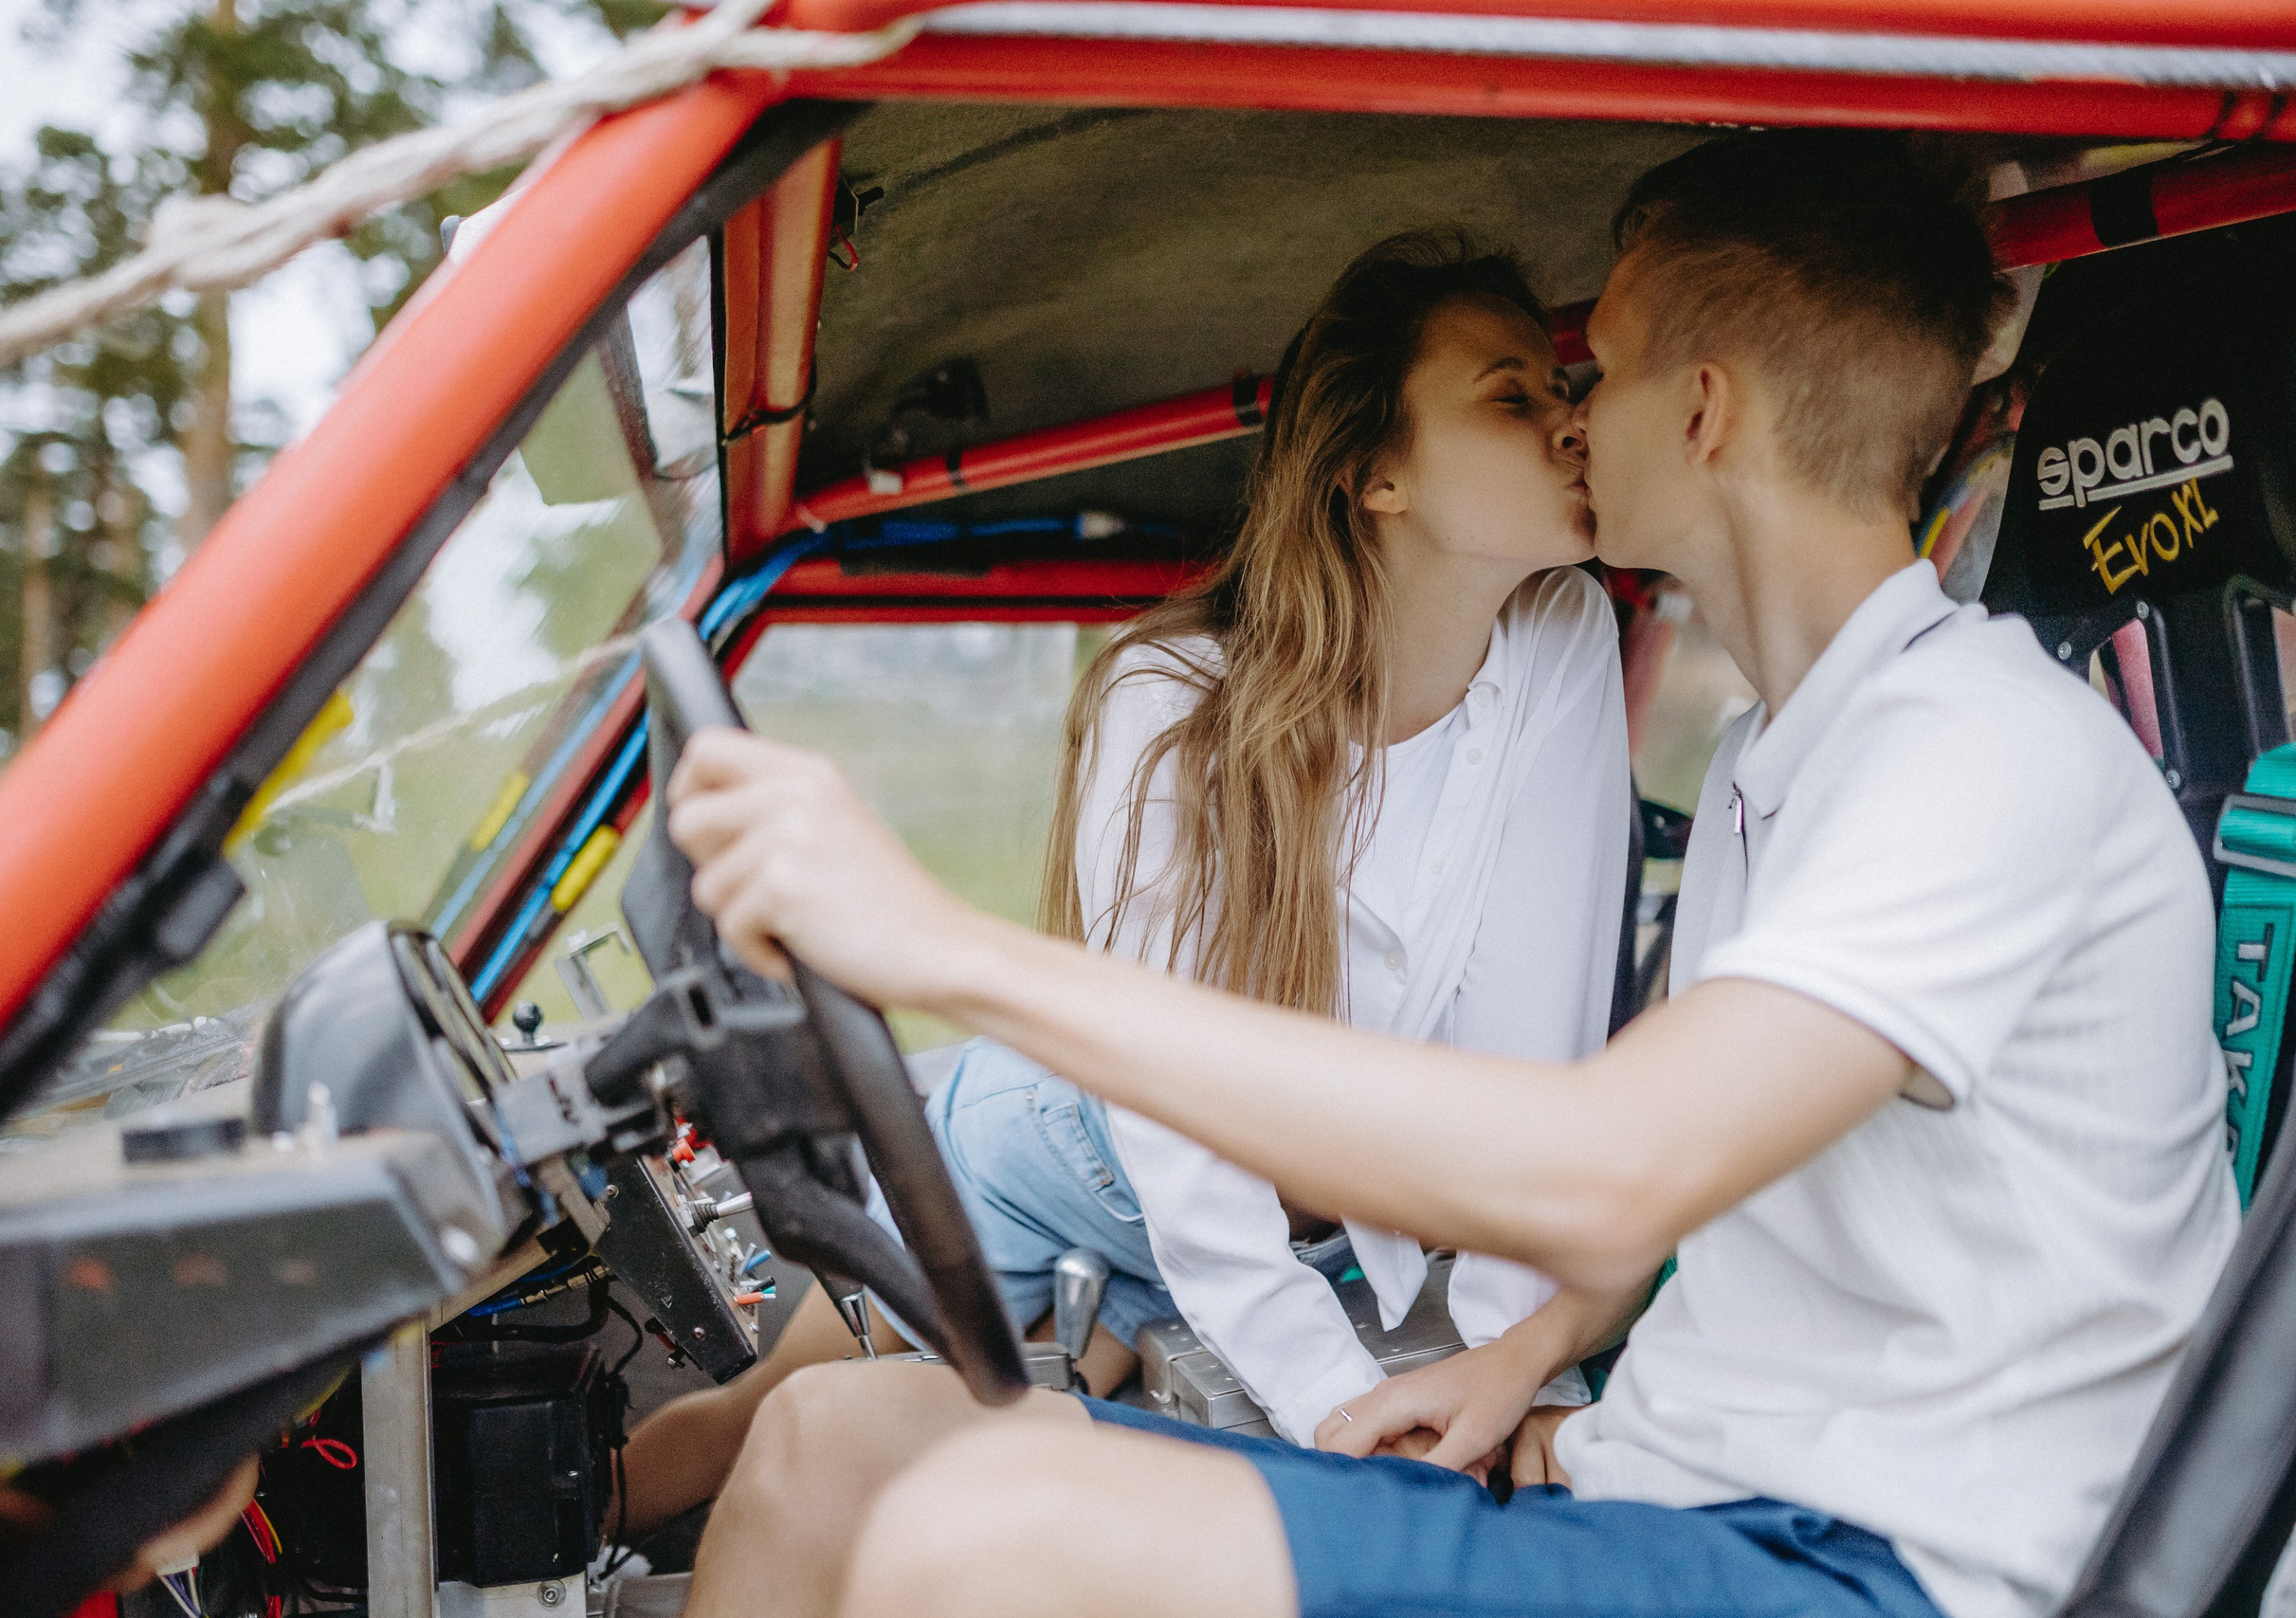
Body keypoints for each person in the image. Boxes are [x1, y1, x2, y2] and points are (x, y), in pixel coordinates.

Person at [665, 130, 2240, 1618]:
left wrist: (946, 949)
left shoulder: (1973, 753)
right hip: (1677, 1487)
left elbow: (1610, 1170)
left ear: (1701, 416)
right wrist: (1520, 1362)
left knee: (970, 1532)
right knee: (831, 1441)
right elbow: (1700, 1198)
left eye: (1598, 371)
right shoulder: (1778, 759)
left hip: (1878, 1563)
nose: (1575, 418)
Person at [618, 227, 1633, 1531]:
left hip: (1308, 1221)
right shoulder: (1168, 703)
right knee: (761, 1430)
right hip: (1068, 1147)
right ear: (1375, 473)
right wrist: (1346, 1414)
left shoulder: (1562, 633)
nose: (1572, 420)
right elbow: (1181, 1148)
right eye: (1511, 396)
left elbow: (1533, 1059)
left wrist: (1513, 1367)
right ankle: (539, 1539)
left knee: (1014, 1468)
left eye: (1562, 386)